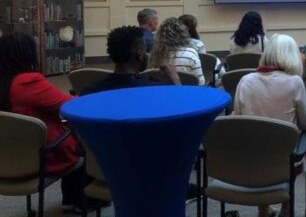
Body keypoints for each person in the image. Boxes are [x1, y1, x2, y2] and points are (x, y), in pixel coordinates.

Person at [0, 32, 83, 210]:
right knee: (82, 140)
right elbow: (70, 106)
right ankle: (75, 200)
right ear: (26, 53)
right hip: (41, 157)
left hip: (7, 157)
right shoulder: (28, 82)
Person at [233, 34, 306, 217]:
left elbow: (237, 118)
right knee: (298, 144)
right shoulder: (295, 82)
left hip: (251, 155)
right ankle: (287, 208)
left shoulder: (246, 80)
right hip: (285, 158)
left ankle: (263, 209)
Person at [81, 26, 180, 95]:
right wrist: (175, 79)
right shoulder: (156, 89)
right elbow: (181, 108)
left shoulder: (89, 91)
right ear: (140, 54)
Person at [149, 17, 205, 85]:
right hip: (189, 93)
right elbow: (201, 83)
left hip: (161, 93)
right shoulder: (190, 54)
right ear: (183, 33)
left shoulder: (154, 55)